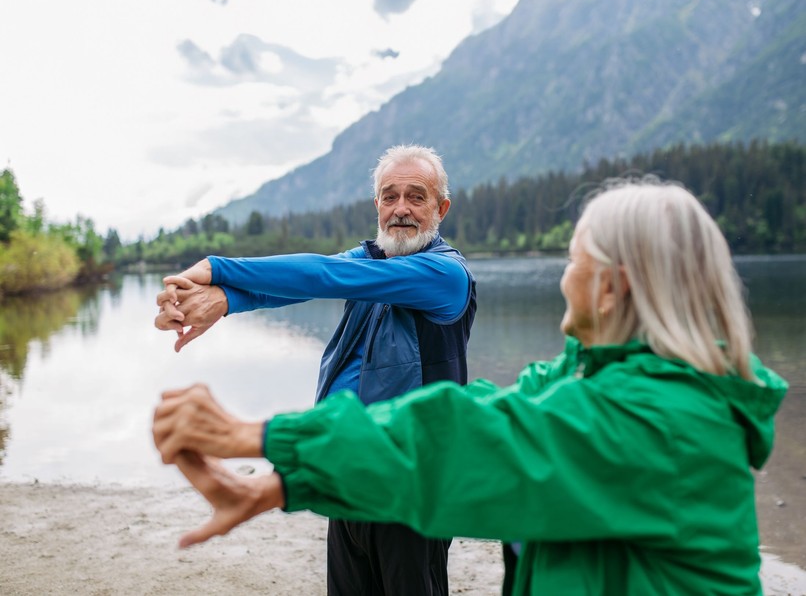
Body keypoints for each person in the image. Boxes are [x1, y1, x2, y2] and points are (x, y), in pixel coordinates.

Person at [153, 179, 788, 595]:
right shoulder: (581, 378)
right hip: (367, 479)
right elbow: (484, 410)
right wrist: (287, 482)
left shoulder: (664, 420)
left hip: (398, 486)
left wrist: (255, 435)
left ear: (613, 287)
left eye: (573, 260)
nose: (562, 279)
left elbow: (470, 440)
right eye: (388, 196)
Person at [154, 144, 477, 596]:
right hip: (346, 477)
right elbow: (296, 285)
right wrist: (222, 301)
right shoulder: (372, 261)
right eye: (389, 196)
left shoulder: (444, 275)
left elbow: (323, 275)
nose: (400, 209)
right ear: (377, 206)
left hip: (411, 489)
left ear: (441, 208)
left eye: (416, 196)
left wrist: (216, 268)